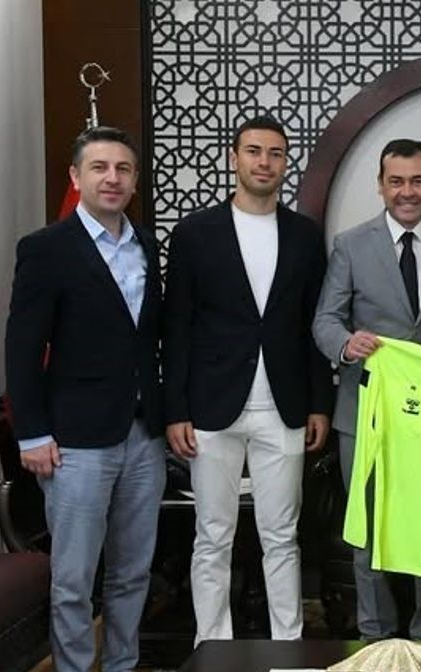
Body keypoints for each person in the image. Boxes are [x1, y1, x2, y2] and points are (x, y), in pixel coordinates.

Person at [5, 126, 164, 672]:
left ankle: (120, 669)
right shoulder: (45, 248)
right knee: (73, 576)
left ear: (134, 180)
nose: (112, 179)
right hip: (74, 440)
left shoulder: (145, 245)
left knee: (132, 567)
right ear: (76, 177)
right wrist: (30, 432)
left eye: (123, 169)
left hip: (142, 431)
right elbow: (22, 347)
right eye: (99, 168)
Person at [162, 115, 334, 644]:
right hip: (210, 406)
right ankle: (212, 646)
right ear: (234, 158)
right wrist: (175, 409)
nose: (265, 162)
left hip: (284, 405)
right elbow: (177, 325)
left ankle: (288, 646)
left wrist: (319, 403)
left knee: (281, 536)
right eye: (255, 151)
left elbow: (313, 324)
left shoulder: (305, 235)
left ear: (286, 163)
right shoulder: (194, 234)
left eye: (276, 153)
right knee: (212, 536)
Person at [313, 138, 421, 640]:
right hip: (365, 411)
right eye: (397, 181)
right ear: (381, 186)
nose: (408, 191)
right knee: (367, 531)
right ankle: (375, 638)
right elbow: (325, 320)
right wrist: (346, 344)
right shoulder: (351, 244)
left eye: (417, 181)